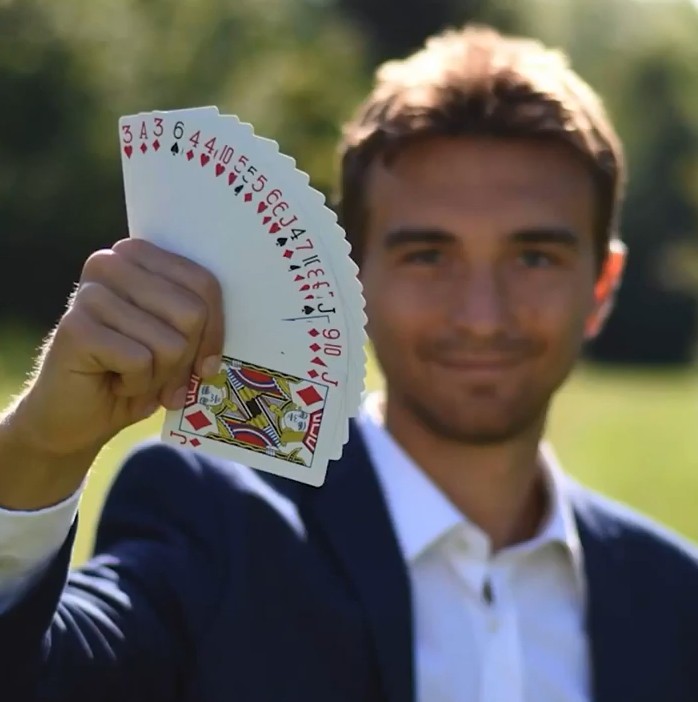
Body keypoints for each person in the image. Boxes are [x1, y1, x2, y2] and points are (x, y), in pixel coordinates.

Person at [0, 23, 697, 702]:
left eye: (534, 258)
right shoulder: (218, 526)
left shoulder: (676, 601)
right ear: (353, 277)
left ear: (601, 286)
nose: (481, 316)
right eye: (429, 256)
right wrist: (42, 450)